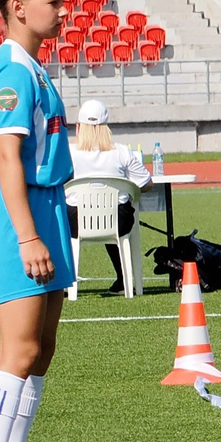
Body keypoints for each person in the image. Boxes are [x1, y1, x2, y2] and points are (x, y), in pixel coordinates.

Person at [0, 0, 77, 442]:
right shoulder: (12, 70)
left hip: (47, 209)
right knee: (19, 348)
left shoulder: (35, 68)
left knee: (41, 351)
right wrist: (26, 236)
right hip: (19, 214)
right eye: (53, 1)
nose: (63, 10)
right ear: (19, 8)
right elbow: (5, 157)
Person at [69, 99, 151, 295]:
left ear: (79, 127)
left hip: (75, 222)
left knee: (56, 219)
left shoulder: (68, 152)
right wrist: (130, 194)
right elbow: (146, 183)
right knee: (112, 212)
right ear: (106, 127)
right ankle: (124, 279)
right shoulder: (122, 152)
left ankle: (62, 282)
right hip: (117, 221)